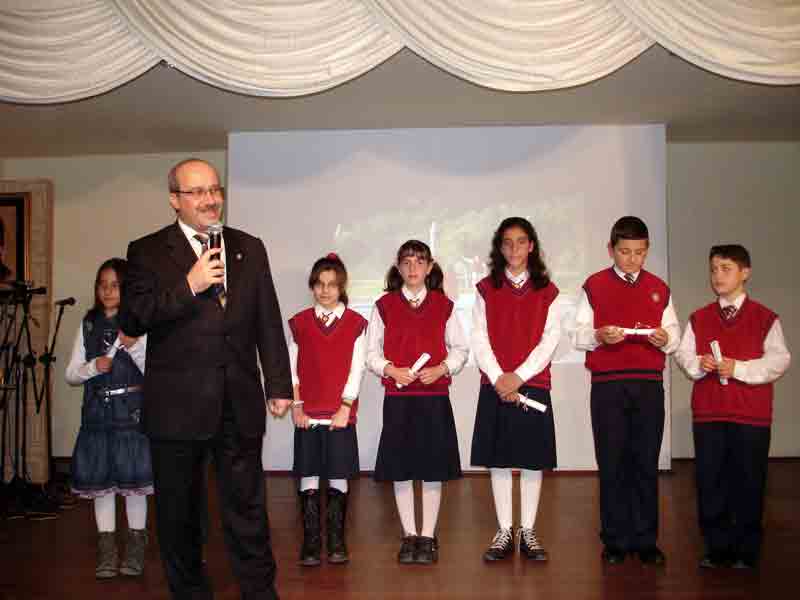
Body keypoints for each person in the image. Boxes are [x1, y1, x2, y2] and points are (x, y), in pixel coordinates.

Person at [119, 158, 292, 600]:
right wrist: (189, 285)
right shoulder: (147, 250)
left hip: (238, 400)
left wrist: (278, 384)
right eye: (196, 192)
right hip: (176, 409)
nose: (210, 199)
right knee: (179, 515)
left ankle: (260, 592)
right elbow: (134, 318)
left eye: (214, 189)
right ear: (174, 199)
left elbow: (267, 319)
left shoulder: (248, 247)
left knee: (248, 509)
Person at [570, 216, 679, 566]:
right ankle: (615, 540)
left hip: (648, 385)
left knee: (645, 462)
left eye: (639, 252)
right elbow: (577, 334)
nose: (632, 259)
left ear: (647, 251)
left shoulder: (659, 287)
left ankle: (646, 540)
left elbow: (674, 333)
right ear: (611, 250)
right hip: (608, 386)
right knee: (613, 462)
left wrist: (666, 339)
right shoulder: (594, 285)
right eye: (625, 252)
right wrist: (599, 335)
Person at [674, 244, 790, 570]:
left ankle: (746, 549)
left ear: (745, 273)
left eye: (726, 268)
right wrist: (701, 362)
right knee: (711, 482)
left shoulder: (765, 318)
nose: (717, 276)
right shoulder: (699, 318)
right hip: (710, 413)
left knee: (749, 481)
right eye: (713, 269)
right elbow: (684, 356)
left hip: (750, 416)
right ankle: (716, 547)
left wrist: (738, 369)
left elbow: (779, 360)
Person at [366, 240, 468, 564]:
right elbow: (370, 353)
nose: (413, 269)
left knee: (432, 468)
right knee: (402, 469)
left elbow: (460, 349)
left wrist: (441, 368)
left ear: (429, 267)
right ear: (398, 267)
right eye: (407, 262)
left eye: (419, 262)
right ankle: (409, 534)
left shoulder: (444, 306)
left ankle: (428, 535)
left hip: (434, 399)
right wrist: (390, 368)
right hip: (398, 399)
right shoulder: (383, 306)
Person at [470, 217, 560, 562]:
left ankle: (528, 530)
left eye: (521, 242)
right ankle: (505, 530)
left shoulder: (547, 290)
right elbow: (479, 338)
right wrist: (499, 378)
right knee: (500, 461)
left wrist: (518, 377)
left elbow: (549, 341)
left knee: (532, 460)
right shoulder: (484, 289)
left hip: (532, 384)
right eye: (507, 243)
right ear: (499, 248)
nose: (514, 249)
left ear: (531, 246)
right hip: (496, 386)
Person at [65, 258, 151, 579]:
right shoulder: (88, 325)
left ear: (126, 288)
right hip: (98, 417)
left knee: (134, 485)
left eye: (115, 284)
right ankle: (107, 551)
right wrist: (92, 367)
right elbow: (71, 374)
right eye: (103, 284)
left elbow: (153, 371)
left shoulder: (139, 324)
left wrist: (136, 347)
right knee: (102, 486)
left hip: (131, 416)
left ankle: (136, 548)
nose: (108, 290)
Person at [288, 253, 367, 566]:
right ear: (312, 286)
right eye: (319, 284)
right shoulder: (300, 323)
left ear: (341, 287)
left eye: (332, 285)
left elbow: (356, 369)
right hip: (307, 413)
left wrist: (345, 407)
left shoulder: (356, 324)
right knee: (308, 475)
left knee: (337, 476)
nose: (325, 291)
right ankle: (311, 541)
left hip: (339, 413)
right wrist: (296, 405)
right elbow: (291, 368)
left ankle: (336, 539)